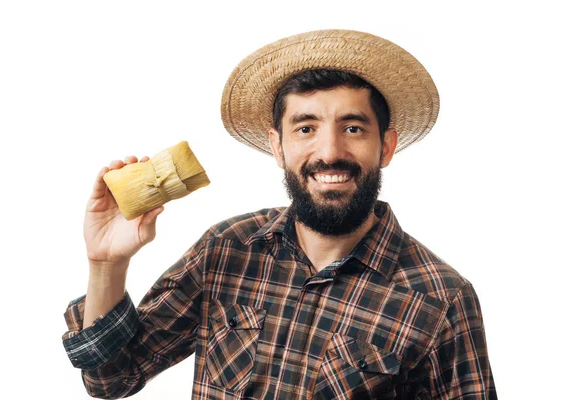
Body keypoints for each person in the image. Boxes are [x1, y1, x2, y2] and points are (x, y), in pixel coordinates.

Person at [62, 30, 496, 399]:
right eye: (306, 128)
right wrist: (107, 264)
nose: (329, 153)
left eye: (353, 128)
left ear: (385, 146)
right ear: (277, 146)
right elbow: (111, 377)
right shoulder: (227, 248)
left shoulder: (442, 299)